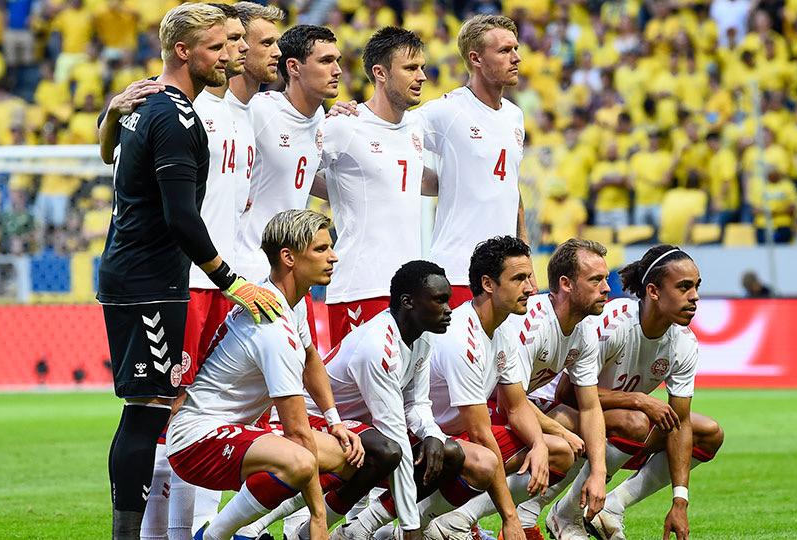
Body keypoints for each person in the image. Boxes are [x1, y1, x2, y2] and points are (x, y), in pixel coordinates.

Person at [96, 5, 279, 537]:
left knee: (150, 409)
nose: (230, 56)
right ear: (185, 51)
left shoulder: (149, 105)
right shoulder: (176, 116)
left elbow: (112, 155)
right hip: (150, 279)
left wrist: (110, 118)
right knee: (148, 413)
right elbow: (183, 218)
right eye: (219, 47)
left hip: (144, 275)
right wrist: (232, 280)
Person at [167, 209, 366, 540]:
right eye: (321, 249)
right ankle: (215, 535)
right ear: (289, 257)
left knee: (355, 458)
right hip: (196, 441)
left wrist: (334, 420)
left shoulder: (289, 301)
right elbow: (298, 433)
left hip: (235, 430)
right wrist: (318, 518)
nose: (333, 256)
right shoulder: (271, 326)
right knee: (301, 461)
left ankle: (248, 532)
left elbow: (311, 358)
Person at [543, 245, 724, 540]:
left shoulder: (684, 343)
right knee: (635, 421)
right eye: (684, 287)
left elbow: (681, 423)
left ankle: (612, 507)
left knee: (709, 433)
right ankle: (567, 515)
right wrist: (638, 400)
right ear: (653, 291)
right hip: (559, 416)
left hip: (619, 428)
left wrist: (680, 501)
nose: (695, 297)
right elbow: (566, 394)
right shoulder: (613, 322)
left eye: (696, 287)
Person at [444, 238, 613, 540]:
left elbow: (585, 406)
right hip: (440, 428)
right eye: (596, 279)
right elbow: (508, 407)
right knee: (562, 442)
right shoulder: (523, 325)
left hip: (484, 415)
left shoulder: (581, 329)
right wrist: (554, 435)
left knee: (574, 441)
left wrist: (597, 472)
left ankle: (525, 518)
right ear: (566, 284)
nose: (607, 288)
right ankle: (458, 519)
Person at [329, 261, 498, 540]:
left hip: (365, 426)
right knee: (390, 451)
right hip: (323, 422)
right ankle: (314, 531)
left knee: (447, 452)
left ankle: (360, 529)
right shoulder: (378, 346)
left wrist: (431, 433)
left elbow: (417, 403)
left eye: (449, 301)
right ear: (408, 302)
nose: (448, 310)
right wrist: (411, 529)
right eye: (439, 300)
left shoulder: (422, 337)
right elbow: (394, 434)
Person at [424, 236, 575, 540]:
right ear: (488, 284)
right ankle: (424, 520)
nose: (531, 288)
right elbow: (480, 432)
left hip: (455, 438)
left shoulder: (503, 328)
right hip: (425, 441)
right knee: (485, 458)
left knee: (558, 451)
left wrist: (538, 444)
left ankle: (448, 520)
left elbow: (516, 405)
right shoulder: (461, 337)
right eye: (519, 279)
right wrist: (510, 517)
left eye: (530, 277)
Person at [318, 27, 430, 345]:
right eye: (410, 68)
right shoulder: (345, 125)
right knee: (356, 395)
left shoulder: (415, 127)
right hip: (362, 287)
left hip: (410, 290)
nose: (421, 76)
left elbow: (415, 182)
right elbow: (290, 167)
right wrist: (339, 190)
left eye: (422, 67)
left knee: (407, 393)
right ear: (380, 73)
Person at [235, 23, 342, 344]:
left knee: (295, 371)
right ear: (293, 68)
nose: (337, 70)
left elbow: (302, 174)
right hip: (248, 265)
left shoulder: (325, 122)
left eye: (337, 60)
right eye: (325, 61)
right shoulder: (260, 111)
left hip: (292, 272)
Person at [416, 15, 533, 307]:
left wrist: (525, 257)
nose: (516, 58)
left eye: (515, 49)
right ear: (476, 58)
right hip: (457, 271)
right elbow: (393, 135)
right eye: (505, 51)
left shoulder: (514, 115)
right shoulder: (448, 111)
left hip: (504, 275)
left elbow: (511, 188)